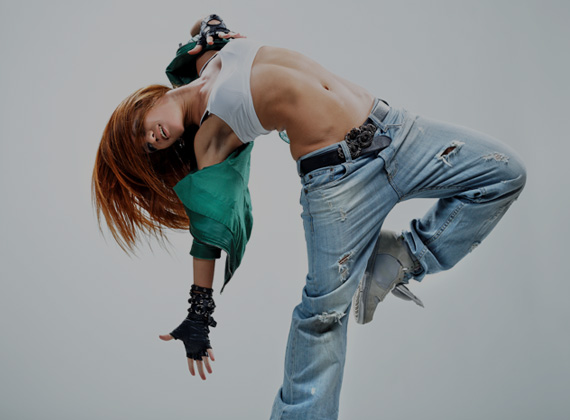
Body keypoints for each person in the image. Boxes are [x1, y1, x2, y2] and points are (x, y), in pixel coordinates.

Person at [92, 15, 526, 420]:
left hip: (394, 130)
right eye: (148, 147)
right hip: (338, 184)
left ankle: (402, 258)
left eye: (140, 129)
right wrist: (198, 313)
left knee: (503, 173)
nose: (152, 138)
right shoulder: (210, 140)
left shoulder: (206, 57)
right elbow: (206, 233)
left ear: (144, 103)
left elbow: (204, 22)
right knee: (322, 318)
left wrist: (206, 31)